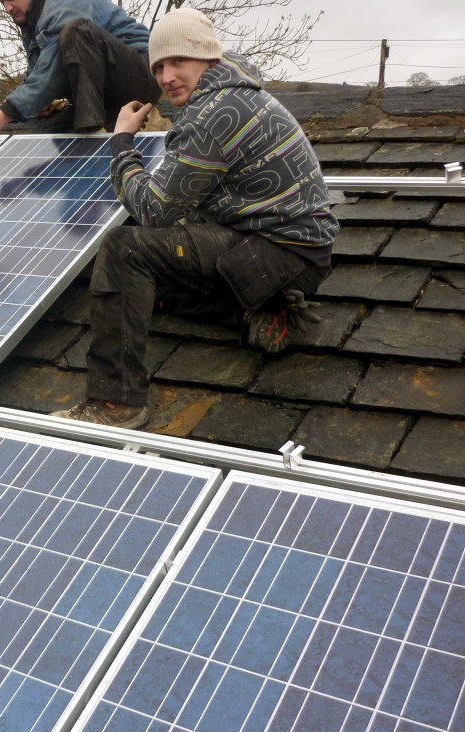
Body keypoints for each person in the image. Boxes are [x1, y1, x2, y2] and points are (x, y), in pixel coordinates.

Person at [52, 7, 338, 429]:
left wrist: (122, 141)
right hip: (289, 253)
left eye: (178, 61)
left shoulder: (214, 114)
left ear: (206, 56)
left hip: (277, 254)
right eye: (160, 66)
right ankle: (261, 312)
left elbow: (153, 210)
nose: (167, 77)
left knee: (124, 249)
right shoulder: (237, 93)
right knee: (148, 283)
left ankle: (115, 402)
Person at [0, 0, 161, 135]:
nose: (7, 8)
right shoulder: (33, 22)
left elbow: (52, 68)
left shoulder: (64, 5)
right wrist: (41, 102)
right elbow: (38, 70)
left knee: (76, 30)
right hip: (105, 92)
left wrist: (8, 112)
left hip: (141, 73)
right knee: (51, 134)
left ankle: (92, 132)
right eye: (1, 2)